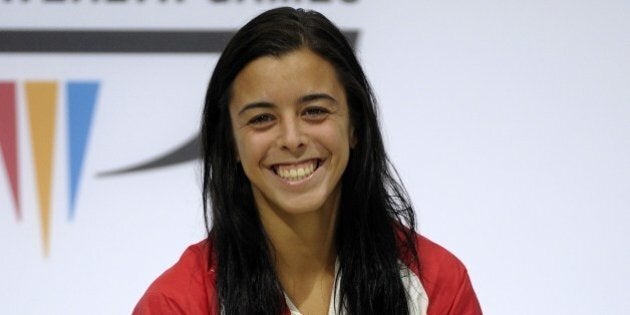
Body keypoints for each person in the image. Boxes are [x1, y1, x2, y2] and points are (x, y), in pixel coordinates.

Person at [134, 7, 481, 315]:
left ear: (355, 126)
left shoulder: (436, 286)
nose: (291, 139)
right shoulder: (178, 303)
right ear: (231, 144)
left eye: (314, 111)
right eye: (261, 118)